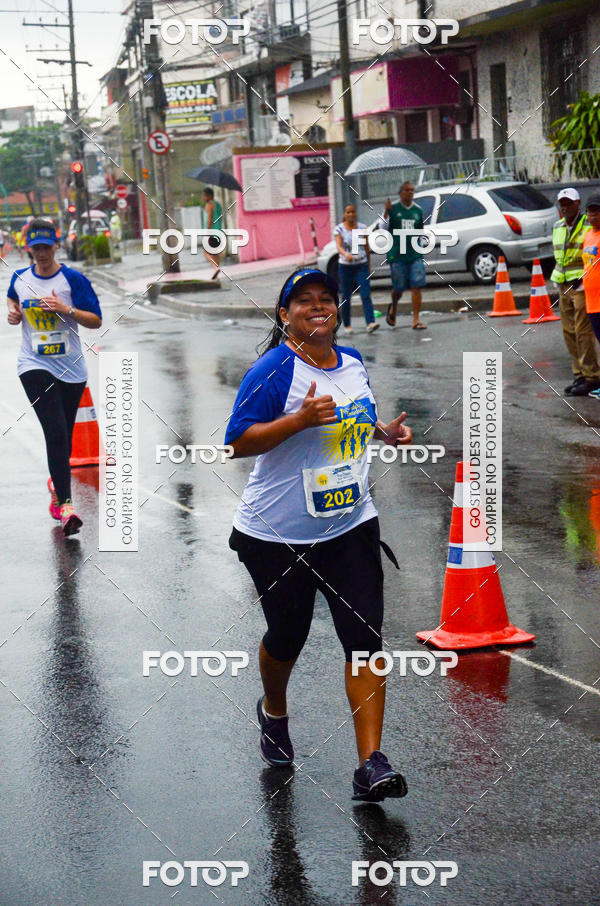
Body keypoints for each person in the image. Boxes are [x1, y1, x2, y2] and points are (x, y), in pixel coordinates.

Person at [225, 266, 413, 802]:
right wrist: (298, 421)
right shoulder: (273, 370)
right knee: (288, 638)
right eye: (302, 300)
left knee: (365, 640)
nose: (317, 306)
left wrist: (383, 432)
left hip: (351, 525)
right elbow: (237, 442)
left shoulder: (352, 361)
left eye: (325, 298)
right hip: (276, 536)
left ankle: (370, 763)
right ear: (285, 315)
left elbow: (356, 414)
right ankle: (275, 710)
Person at [6, 218, 103, 535]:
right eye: (36, 249)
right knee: (56, 432)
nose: (42, 254)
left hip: (72, 370)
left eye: (46, 247)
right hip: (33, 364)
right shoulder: (20, 278)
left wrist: (66, 309)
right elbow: (12, 297)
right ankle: (66, 506)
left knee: (64, 440)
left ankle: (56, 490)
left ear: (56, 245)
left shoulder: (72, 279)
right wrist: (13, 312)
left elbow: (95, 321)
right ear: (29, 249)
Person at [550, 187, 600, 397]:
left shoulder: (587, 225)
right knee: (569, 332)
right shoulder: (558, 226)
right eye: (562, 203)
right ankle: (579, 373)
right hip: (563, 283)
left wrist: (581, 279)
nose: (565, 207)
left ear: (578, 204)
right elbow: (559, 254)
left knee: (583, 332)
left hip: (581, 285)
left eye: (569, 203)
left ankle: (591, 376)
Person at [380, 181, 427, 330]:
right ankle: (393, 306)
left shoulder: (417, 210)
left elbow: (420, 231)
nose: (410, 193)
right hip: (397, 255)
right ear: (401, 193)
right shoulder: (393, 209)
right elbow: (383, 227)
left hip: (415, 254)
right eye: (407, 190)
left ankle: (416, 320)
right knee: (398, 288)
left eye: (412, 190)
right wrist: (386, 212)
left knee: (417, 285)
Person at [334, 204, 379, 334]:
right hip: (345, 266)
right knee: (346, 295)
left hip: (361, 264)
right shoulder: (339, 229)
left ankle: (370, 322)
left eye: (353, 212)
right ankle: (347, 324)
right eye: (348, 212)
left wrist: (368, 265)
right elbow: (338, 246)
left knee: (365, 293)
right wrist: (345, 254)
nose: (351, 214)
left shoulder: (362, 228)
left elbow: (367, 248)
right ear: (344, 214)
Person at [581, 193, 600, 400]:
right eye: (590, 211)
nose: (593, 215)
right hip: (591, 301)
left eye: (597, 211)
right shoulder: (587, 236)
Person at [202, 186, 223, 280]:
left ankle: (215, 268)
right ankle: (217, 273)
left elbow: (209, 219)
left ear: (209, 196)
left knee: (206, 253)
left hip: (212, 232)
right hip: (219, 232)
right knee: (216, 254)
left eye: (204, 196)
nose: (203, 198)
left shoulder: (209, 205)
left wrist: (207, 234)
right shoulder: (218, 205)